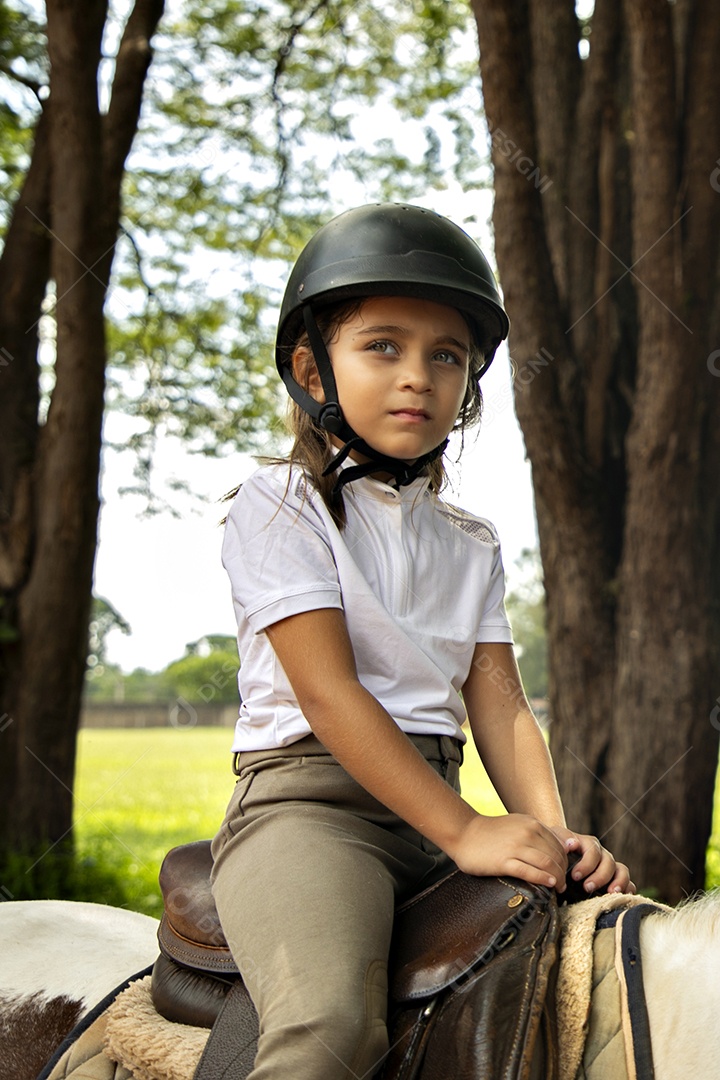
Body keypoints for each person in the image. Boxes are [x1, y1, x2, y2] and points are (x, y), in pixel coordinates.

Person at [210, 203, 634, 1080]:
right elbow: (330, 696)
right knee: (331, 1028)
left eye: (447, 356)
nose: (418, 377)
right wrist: (469, 833)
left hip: (441, 807)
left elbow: (504, 709)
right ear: (309, 368)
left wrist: (549, 838)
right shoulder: (279, 507)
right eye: (383, 346)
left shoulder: (468, 540)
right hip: (313, 809)